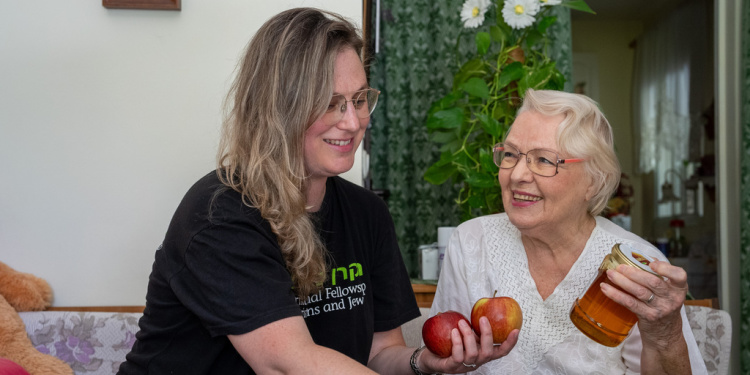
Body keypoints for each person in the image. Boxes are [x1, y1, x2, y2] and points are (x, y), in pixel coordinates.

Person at [118, 8, 516, 374]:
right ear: (277, 109)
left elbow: (378, 353)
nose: (353, 122)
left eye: (360, 100)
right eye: (329, 103)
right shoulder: (219, 214)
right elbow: (290, 365)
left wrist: (422, 363)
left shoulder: (366, 212)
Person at [430, 89, 708, 374]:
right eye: (511, 154)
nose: (517, 175)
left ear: (593, 182)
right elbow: (446, 362)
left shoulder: (634, 263)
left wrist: (666, 335)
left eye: (544, 160)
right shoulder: (471, 242)